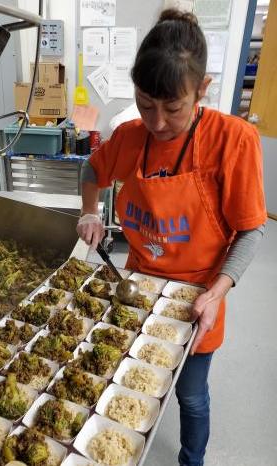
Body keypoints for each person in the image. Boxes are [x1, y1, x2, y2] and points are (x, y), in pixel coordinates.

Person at [76, 8, 267, 466]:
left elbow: (251, 229)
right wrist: (88, 212)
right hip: (138, 285)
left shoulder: (233, 141)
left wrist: (217, 292)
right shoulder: (128, 135)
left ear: (201, 90)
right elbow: (91, 169)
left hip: (197, 293)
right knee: (122, 376)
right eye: (145, 103)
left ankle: (192, 459)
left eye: (173, 107)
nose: (157, 122)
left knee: (191, 393)